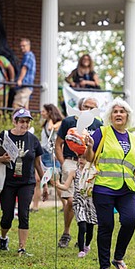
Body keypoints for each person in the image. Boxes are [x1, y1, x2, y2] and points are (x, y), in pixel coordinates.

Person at [84, 98, 135, 269]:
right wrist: (88, 147)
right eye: (115, 111)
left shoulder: (133, 138)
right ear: (110, 115)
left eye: (122, 111)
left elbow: (132, 160)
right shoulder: (102, 132)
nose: (118, 114)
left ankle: (118, 258)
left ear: (127, 116)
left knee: (131, 220)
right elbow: (89, 157)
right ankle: (104, 265)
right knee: (106, 225)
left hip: (127, 188)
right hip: (104, 186)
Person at [0, 108, 48, 255]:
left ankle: (22, 248)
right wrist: (2, 159)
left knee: (24, 213)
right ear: (14, 122)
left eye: (27, 121)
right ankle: (3, 237)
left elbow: (38, 164)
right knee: (7, 216)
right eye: (21, 121)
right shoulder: (5, 136)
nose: (24, 124)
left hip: (26, 182)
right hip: (8, 182)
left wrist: (44, 183)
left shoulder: (33, 139)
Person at [54, 97, 102, 248]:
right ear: (80, 107)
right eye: (85, 106)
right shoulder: (69, 121)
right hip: (70, 161)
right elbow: (58, 144)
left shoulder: (98, 125)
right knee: (70, 200)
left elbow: (100, 147)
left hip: (88, 164)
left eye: (91, 108)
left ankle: (83, 233)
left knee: (88, 201)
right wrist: (63, 163)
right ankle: (66, 232)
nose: (87, 110)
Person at [55, 156, 97, 258]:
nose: (81, 160)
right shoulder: (74, 172)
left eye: (84, 158)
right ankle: (81, 250)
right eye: (80, 158)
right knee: (82, 226)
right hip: (78, 202)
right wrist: (56, 184)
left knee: (90, 228)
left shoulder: (93, 172)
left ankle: (87, 245)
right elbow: (65, 186)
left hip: (90, 203)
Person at [31, 104, 63, 212]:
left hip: (50, 155)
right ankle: (35, 206)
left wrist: (51, 121)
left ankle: (65, 204)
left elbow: (52, 128)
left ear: (49, 112)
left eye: (44, 111)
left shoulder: (56, 123)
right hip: (42, 153)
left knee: (55, 182)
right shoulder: (47, 123)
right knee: (38, 180)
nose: (41, 113)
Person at [12, 38, 36, 109]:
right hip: (27, 86)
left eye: (24, 46)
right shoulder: (30, 55)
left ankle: (16, 120)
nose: (22, 48)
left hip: (25, 86)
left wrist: (20, 80)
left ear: (29, 46)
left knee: (16, 106)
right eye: (21, 46)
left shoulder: (28, 55)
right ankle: (26, 120)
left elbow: (24, 68)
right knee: (25, 109)